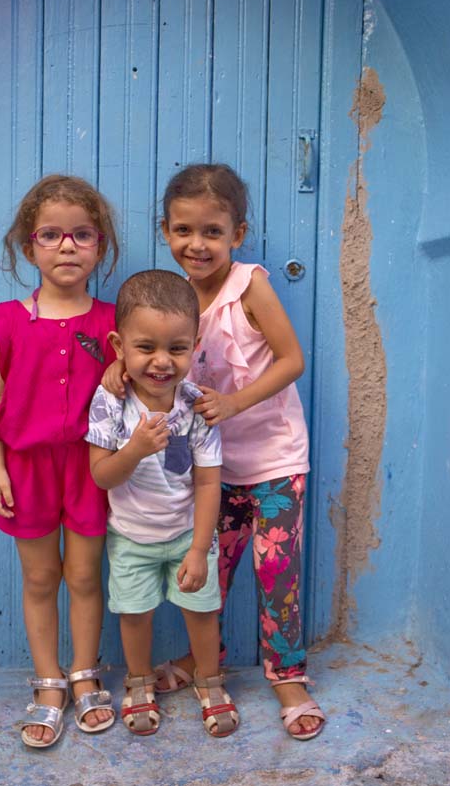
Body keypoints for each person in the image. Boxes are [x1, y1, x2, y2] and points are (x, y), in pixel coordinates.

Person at [105, 163, 325, 740]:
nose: (196, 244)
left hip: (274, 461)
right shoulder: (172, 296)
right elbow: (151, 351)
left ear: (237, 234)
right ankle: (208, 663)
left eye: (212, 231)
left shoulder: (248, 286)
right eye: (183, 230)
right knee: (205, 575)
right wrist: (118, 367)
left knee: (276, 574)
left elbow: (292, 360)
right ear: (165, 231)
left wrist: (233, 403)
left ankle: (287, 676)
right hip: (211, 471)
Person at [0, 174, 119, 748]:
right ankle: (49, 682)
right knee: (40, 577)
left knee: (84, 576)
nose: (67, 246)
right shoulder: (8, 321)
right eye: (51, 234)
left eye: (82, 234)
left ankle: (85, 673)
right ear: (28, 245)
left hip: (91, 468)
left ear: (100, 247)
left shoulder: (113, 322)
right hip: (26, 470)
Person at [86, 270, 239, 738]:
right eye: (145, 347)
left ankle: (209, 681)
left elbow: (209, 483)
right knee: (134, 615)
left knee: (202, 613)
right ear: (119, 346)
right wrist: (134, 449)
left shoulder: (197, 406)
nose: (161, 361)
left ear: (195, 346)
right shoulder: (110, 402)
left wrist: (199, 548)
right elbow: (101, 475)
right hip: (131, 537)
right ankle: (139, 682)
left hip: (186, 534)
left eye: (176, 348)